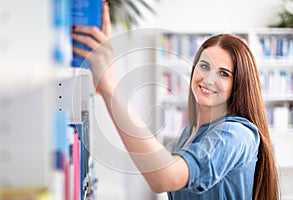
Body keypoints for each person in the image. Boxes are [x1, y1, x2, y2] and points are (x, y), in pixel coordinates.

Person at [72, 2, 279, 199]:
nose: (208, 79)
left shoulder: (235, 134)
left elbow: (165, 178)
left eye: (224, 74)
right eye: (204, 66)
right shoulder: (191, 131)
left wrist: (109, 85)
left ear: (240, 84)